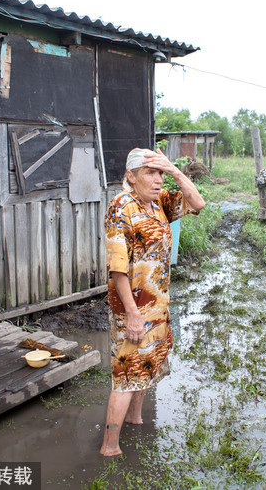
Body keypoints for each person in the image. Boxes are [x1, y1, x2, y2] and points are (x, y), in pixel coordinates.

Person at [100, 148, 205, 457]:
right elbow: (118, 269)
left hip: (157, 305)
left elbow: (198, 203)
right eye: (150, 172)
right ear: (131, 177)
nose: (158, 180)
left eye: (160, 173)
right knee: (127, 373)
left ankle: (135, 417)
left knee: (146, 365)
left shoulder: (158, 203)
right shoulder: (121, 207)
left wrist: (173, 170)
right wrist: (133, 314)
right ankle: (109, 446)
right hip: (132, 309)